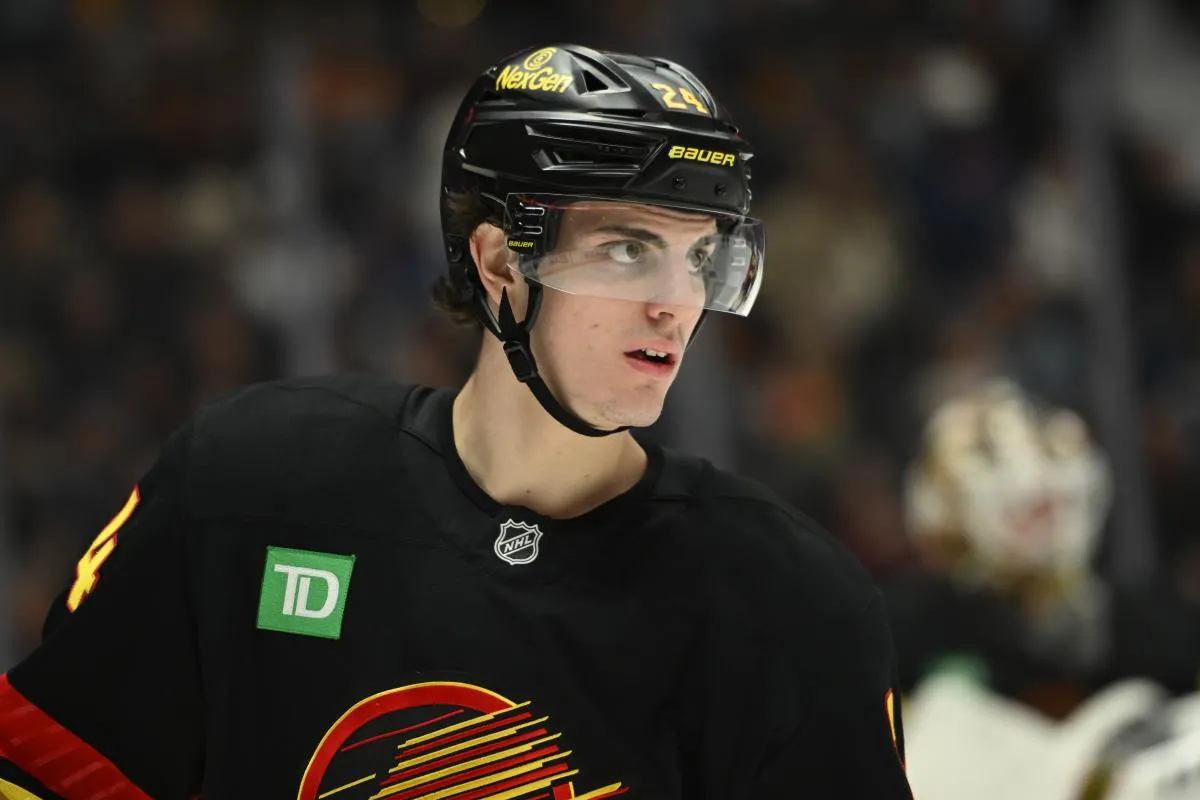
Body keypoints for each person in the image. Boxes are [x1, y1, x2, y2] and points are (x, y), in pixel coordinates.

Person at [0, 44, 913, 799]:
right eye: (628, 249)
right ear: (499, 263)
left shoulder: (794, 605)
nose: (676, 304)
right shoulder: (252, 484)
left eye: (698, 258)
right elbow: (45, 771)